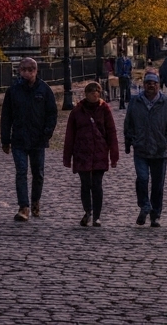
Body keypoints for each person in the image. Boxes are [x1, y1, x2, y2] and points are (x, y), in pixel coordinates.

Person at [0, 57, 57, 221]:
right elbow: (6, 116)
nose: (26, 73)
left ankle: (35, 201)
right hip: (19, 138)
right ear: (19, 71)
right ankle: (23, 206)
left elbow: (51, 114)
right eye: (23, 70)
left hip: (38, 139)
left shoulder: (44, 90)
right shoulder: (13, 90)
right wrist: (5, 140)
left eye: (30, 70)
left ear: (35, 71)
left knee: (38, 173)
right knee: (21, 172)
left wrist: (47, 133)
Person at [123, 72, 167, 227]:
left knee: (157, 185)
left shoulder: (165, 102)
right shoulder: (136, 102)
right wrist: (129, 140)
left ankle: (155, 214)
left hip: (159, 151)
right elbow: (128, 123)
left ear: (158, 85)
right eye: (148, 83)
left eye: (153, 83)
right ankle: (144, 205)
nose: (150, 86)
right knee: (142, 179)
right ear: (144, 84)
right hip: (141, 148)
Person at [63, 82, 120, 226]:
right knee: (85, 184)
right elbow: (70, 135)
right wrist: (67, 157)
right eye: (92, 92)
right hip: (82, 153)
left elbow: (111, 132)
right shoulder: (77, 111)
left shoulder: (105, 109)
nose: (95, 95)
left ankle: (97, 216)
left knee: (97, 185)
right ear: (86, 94)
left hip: (99, 152)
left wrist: (114, 155)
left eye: (97, 92)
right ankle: (88, 211)